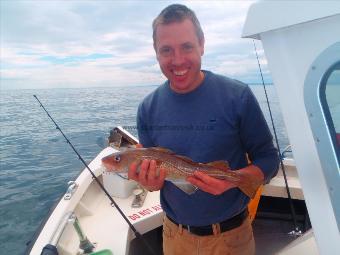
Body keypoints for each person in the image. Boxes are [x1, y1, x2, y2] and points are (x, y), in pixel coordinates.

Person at [128, 4, 279, 255]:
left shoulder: (237, 96)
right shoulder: (147, 108)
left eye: (186, 46)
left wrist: (232, 182)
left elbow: (269, 159)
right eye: (166, 50)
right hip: (174, 237)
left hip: (232, 239)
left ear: (201, 44)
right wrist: (150, 183)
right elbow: (156, 182)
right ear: (156, 53)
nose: (177, 60)